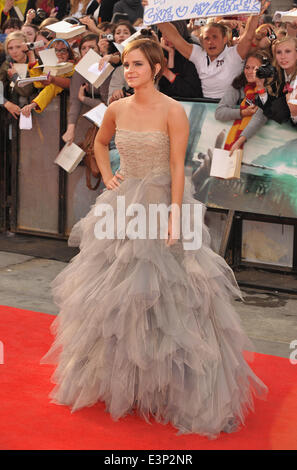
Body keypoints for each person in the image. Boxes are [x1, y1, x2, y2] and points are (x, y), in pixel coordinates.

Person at [41, 38, 267, 438]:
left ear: (157, 69)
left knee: (173, 296)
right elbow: (100, 140)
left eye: (138, 65)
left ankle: (175, 389)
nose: (129, 71)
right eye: (126, 65)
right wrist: (109, 177)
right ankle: (122, 381)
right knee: (115, 298)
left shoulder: (173, 111)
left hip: (163, 201)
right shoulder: (116, 107)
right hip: (124, 205)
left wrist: (175, 214)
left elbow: (179, 168)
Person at [215, 50, 270, 154]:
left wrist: (239, 141)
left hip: (254, 149)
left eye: (255, 68)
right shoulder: (237, 85)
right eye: (247, 67)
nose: (249, 72)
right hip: (234, 148)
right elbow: (219, 113)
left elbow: (260, 116)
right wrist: (241, 113)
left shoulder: (270, 90)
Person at [255, 36, 297, 125]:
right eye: (279, 52)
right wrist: (260, 86)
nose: (283, 56)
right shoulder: (276, 75)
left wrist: (294, 115)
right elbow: (265, 110)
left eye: (288, 51)